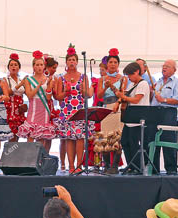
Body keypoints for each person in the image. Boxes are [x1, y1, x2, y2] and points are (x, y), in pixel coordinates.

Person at [54, 44, 93, 174]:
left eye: (74, 60)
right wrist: (65, 92)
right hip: (66, 110)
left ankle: (79, 165)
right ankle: (71, 165)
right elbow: (58, 96)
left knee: (80, 138)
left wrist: (83, 90)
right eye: (69, 60)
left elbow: (89, 95)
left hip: (80, 110)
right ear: (66, 62)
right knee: (69, 138)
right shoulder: (61, 78)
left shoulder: (83, 77)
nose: (71, 62)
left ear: (77, 62)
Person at [114, 62, 151, 174]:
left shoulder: (143, 84)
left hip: (138, 118)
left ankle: (137, 166)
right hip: (130, 118)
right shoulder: (131, 85)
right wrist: (119, 101)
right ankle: (130, 164)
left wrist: (123, 96)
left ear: (137, 72)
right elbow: (125, 97)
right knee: (125, 141)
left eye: (130, 75)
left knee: (134, 143)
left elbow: (136, 99)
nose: (129, 78)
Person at [150, 59, 178, 174]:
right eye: (163, 66)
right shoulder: (158, 82)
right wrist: (151, 92)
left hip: (168, 112)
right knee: (153, 140)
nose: (164, 68)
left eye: (167, 66)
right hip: (154, 112)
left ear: (174, 70)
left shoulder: (177, 83)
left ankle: (171, 170)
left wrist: (163, 100)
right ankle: (154, 169)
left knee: (168, 140)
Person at [18, 50, 55, 152]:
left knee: (42, 136)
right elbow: (29, 95)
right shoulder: (28, 80)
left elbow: (48, 98)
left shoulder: (48, 79)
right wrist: (39, 85)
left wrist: (50, 86)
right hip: (33, 110)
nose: (39, 67)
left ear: (44, 66)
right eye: (37, 64)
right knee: (31, 135)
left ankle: (40, 159)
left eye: (41, 64)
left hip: (44, 110)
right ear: (33, 67)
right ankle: (29, 158)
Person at [95, 49, 125, 173]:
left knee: (117, 136)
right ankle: (106, 165)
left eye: (115, 62)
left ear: (118, 65)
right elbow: (99, 95)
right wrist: (106, 86)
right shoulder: (102, 79)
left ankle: (115, 166)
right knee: (105, 137)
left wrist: (113, 89)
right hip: (106, 107)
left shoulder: (123, 78)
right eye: (110, 62)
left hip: (117, 108)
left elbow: (122, 94)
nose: (112, 64)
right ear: (107, 64)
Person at [45, 57, 65, 170]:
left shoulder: (55, 78)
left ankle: (46, 158)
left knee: (48, 135)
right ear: (47, 67)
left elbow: (56, 96)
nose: (55, 70)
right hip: (39, 106)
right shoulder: (39, 77)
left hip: (50, 106)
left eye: (56, 68)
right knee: (39, 135)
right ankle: (38, 158)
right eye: (53, 68)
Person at [5, 53, 26, 142]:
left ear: (19, 67)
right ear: (8, 68)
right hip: (11, 107)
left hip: (20, 108)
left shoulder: (22, 80)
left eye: (15, 65)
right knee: (11, 133)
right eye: (11, 65)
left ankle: (15, 153)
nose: (13, 67)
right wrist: (19, 85)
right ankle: (9, 154)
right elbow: (8, 92)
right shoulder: (5, 80)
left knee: (17, 133)